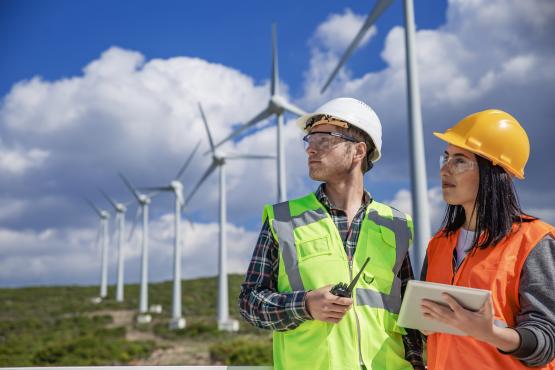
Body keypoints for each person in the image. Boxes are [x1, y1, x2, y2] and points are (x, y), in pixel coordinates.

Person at [239, 97, 424, 370]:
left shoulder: (395, 224)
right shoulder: (284, 219)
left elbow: (409, 315)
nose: (310, 150)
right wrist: (304, 305)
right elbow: (250, 302)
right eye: (309, 141)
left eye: (323, 140)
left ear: (358, 151)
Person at [420, 109, 555, 369]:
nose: (445, 169)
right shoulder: (439, 244)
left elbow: (547, 341)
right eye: (445, 158)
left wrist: (491, 333)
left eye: (460, 161)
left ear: (493, 172)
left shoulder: (533, 240)